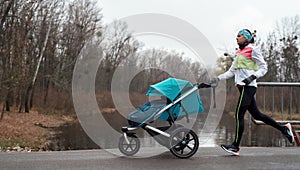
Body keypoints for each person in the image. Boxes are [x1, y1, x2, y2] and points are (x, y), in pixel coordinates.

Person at [212, 29, 295, 156]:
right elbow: (231, 72)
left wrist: (253, 77)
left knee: (239, 114)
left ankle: (235, 146)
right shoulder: (238, 53)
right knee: (257, 115)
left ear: (246, 38)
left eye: (239, 36)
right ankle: (284, 129)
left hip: (248, 87)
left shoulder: (253, 50)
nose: (237, 38)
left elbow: (264, 67)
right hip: (242, 87)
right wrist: (217, 79)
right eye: (236, 36)